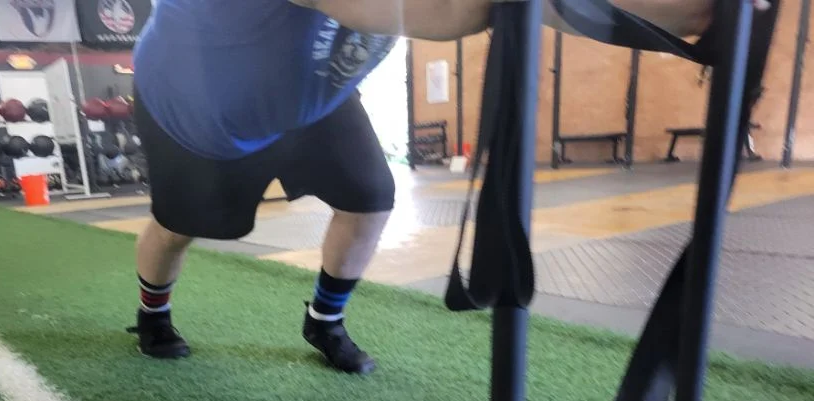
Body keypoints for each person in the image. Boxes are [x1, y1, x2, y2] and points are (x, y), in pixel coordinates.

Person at [128, 0, 736, 374]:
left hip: (315, 94)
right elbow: (451, 10)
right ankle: (153, 314)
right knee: (180, 226)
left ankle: (324, 320)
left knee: (369, 198)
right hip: (200, 106)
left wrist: (708, 12)